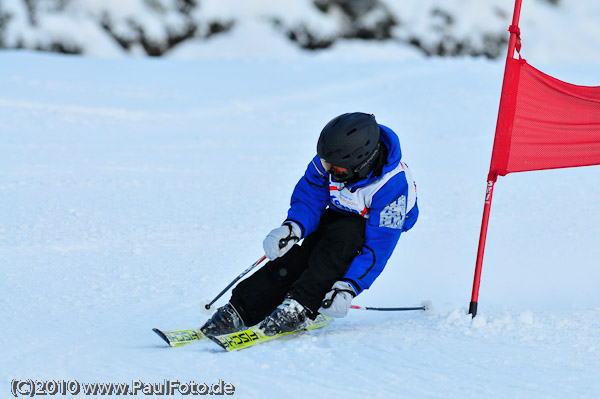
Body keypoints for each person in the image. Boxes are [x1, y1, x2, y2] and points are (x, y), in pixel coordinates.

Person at [200, 112, 418, 337]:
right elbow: (311, 196)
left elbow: (378, 248)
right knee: (300, 255)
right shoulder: (332, 160)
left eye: (338, 170)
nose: (329, 171)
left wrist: (349, 287)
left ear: (362, 161)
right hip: (341, 210)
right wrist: (293, 227)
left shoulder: (391, 188)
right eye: (326, 163)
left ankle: (300, 305)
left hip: (371, 225)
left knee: (338, 245)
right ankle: (244, 308)